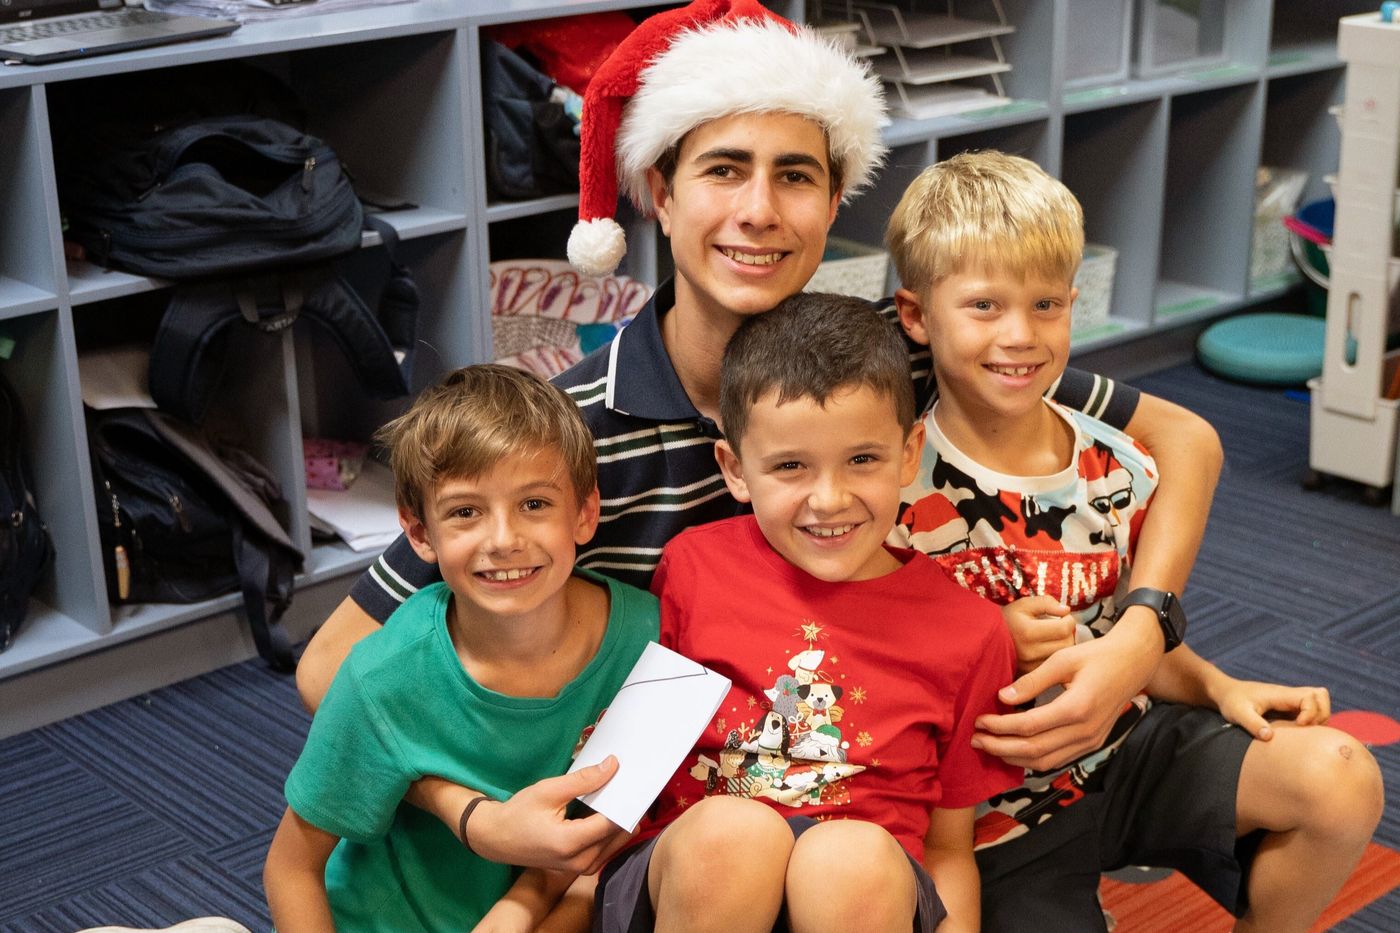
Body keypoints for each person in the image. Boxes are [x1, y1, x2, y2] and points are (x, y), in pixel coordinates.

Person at [296, 0, 1224, 878]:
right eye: (723, 170)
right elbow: (328, 664)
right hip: (661, 822)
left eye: (796, 176)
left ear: (835, 200)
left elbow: (1184, 439)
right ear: (660, 194)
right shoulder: (562, 431)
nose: (760, 211)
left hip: (871, 795)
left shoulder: (889, 358)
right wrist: (470, 813)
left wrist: (1143, 633)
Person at [887, 150, 1385, 933]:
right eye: (984, 305)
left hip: (1127, 752)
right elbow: (868, 666)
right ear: (917, 316)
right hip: (995, 814)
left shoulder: (1122, 464)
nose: (1020, 335)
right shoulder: (890, 484)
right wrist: (984, 642)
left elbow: (1119, 631)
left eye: (1046, 304)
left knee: (1341, 776)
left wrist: (1216, 685)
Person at [592, 292, 1021, 933]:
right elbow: (625, 777)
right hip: (692, 886)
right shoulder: (693, 567)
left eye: (862, 460)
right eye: (791, 466)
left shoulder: (971, 631)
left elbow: (951, 847)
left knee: (848, 857)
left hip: (863, 901)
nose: (829, 499)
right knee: (735, 837)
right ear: (735, 469)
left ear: (909, 452)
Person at [263, 365, 660, 932]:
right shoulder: (384, 676)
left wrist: (518, 917)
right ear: (419, 534)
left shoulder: (648, 641)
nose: (503, 541)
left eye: (534, 504)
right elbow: (291, 869)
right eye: (465, 512)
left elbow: (613, 837)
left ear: (585, 513)